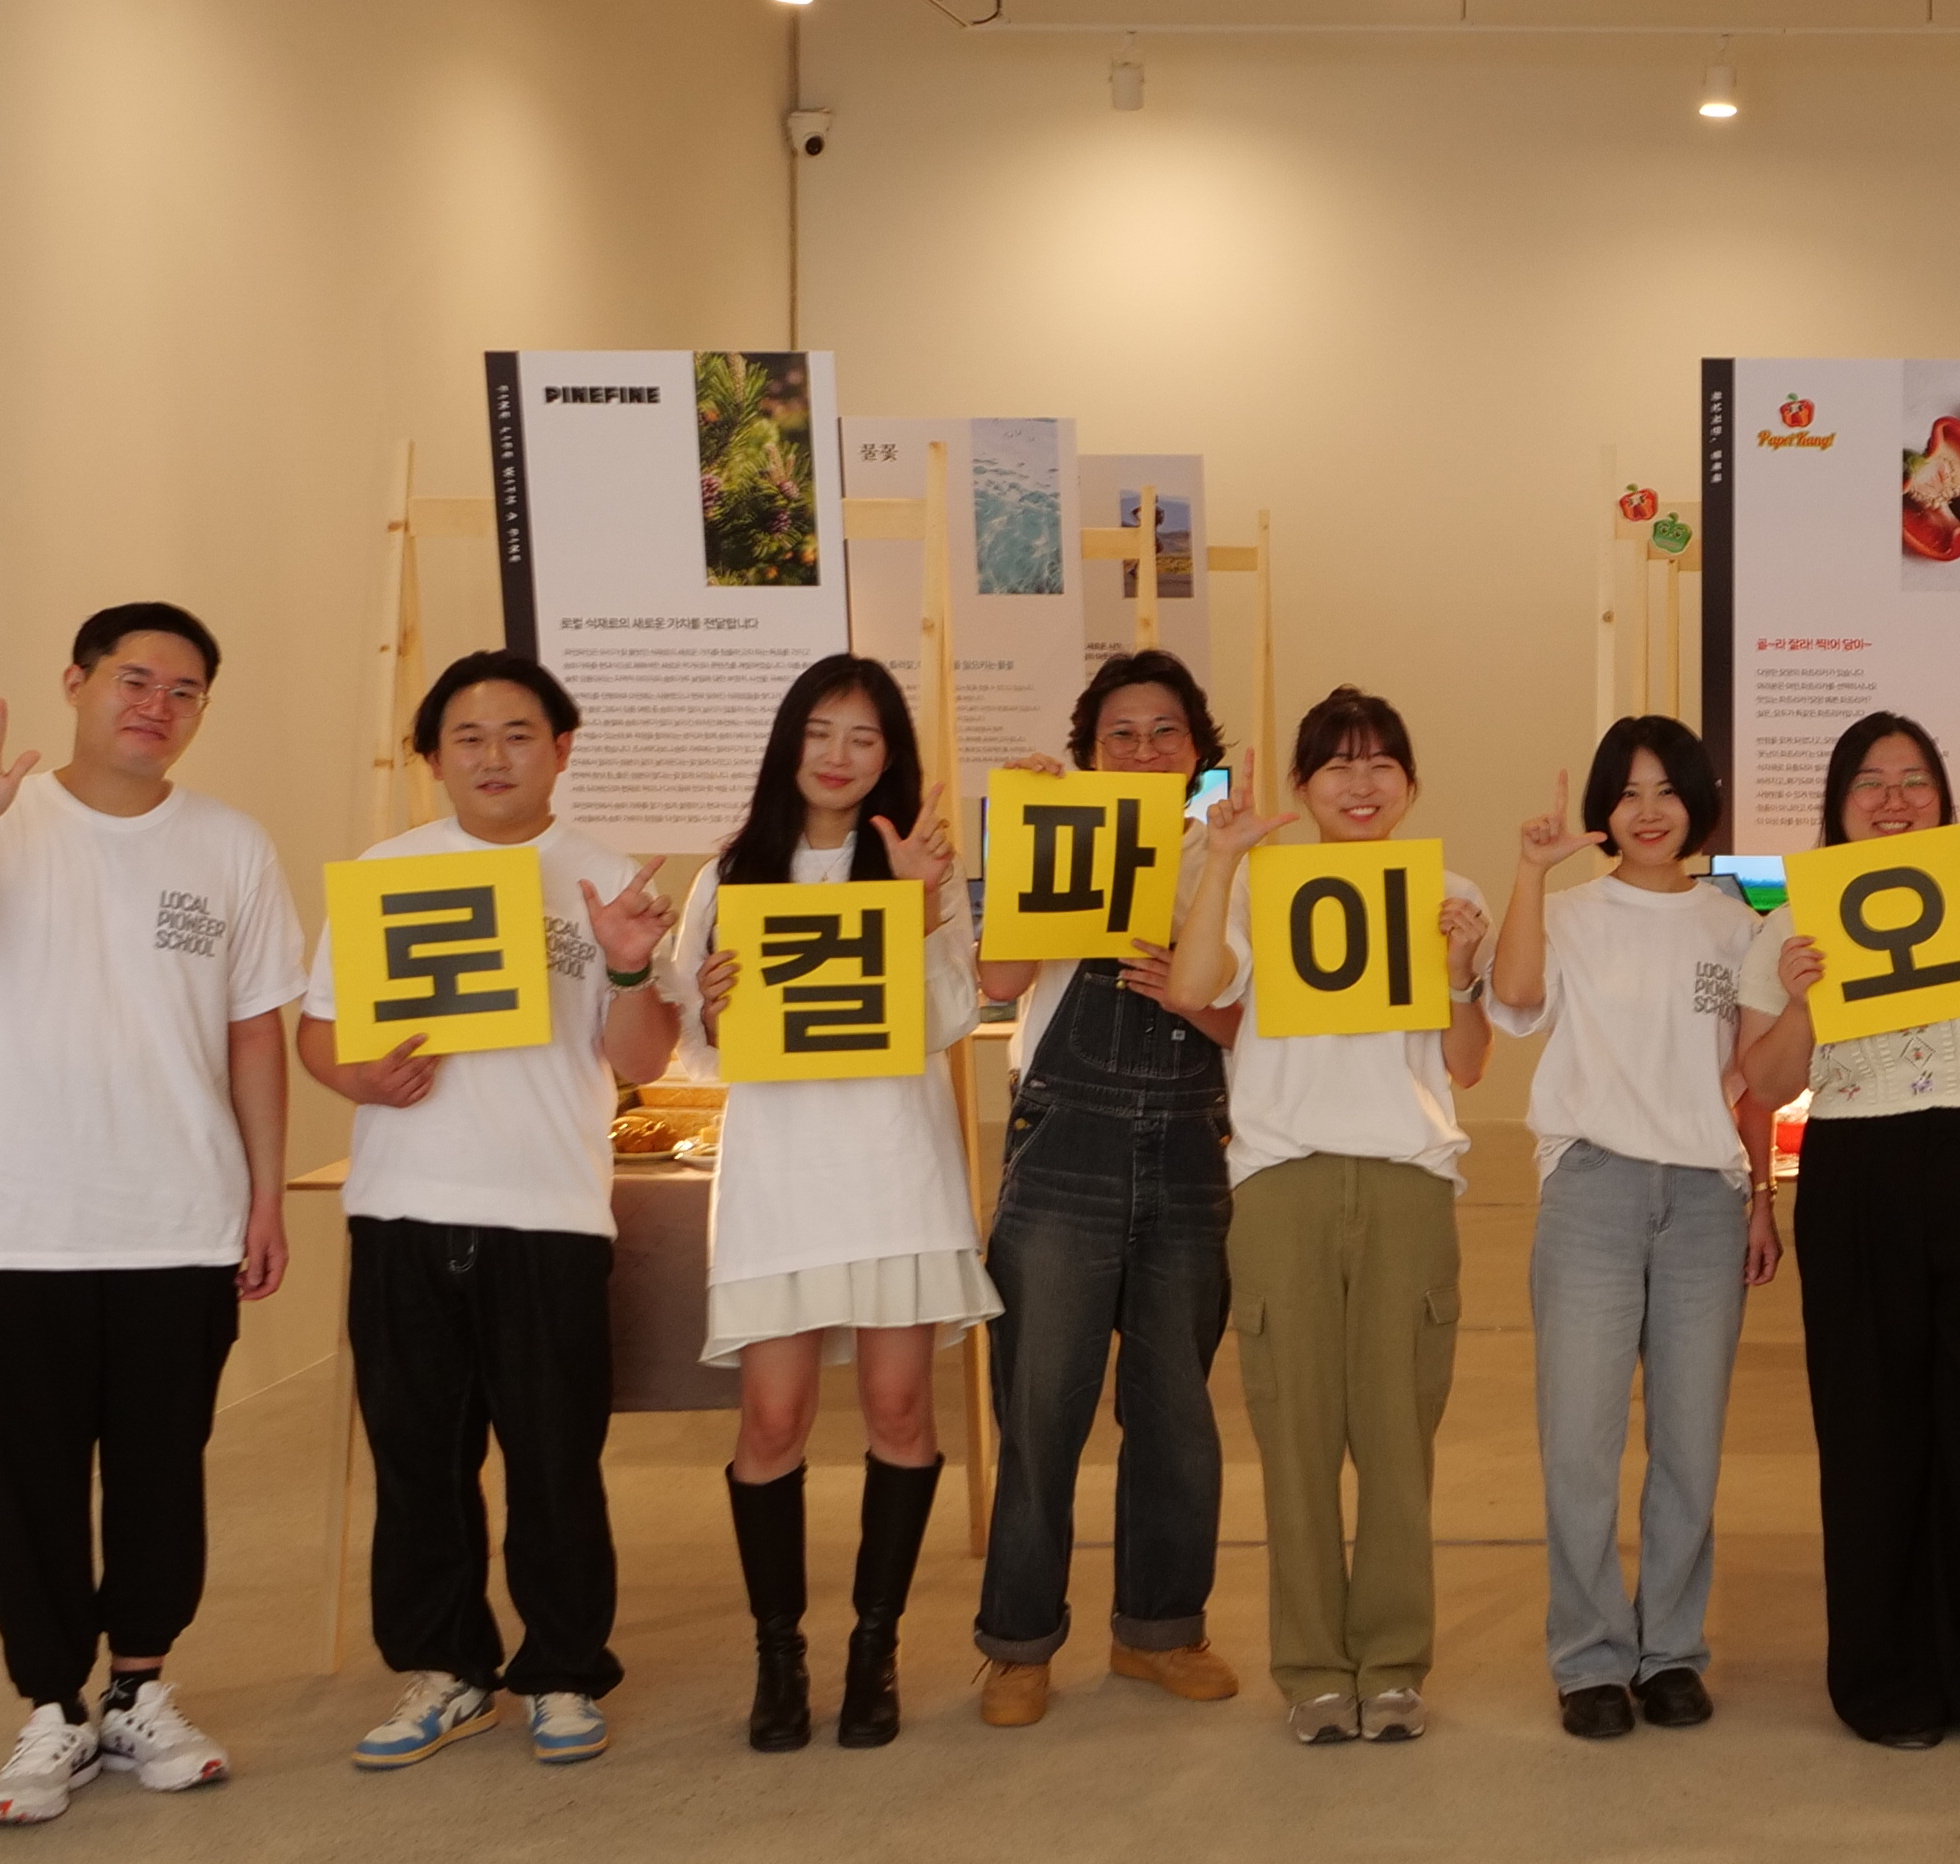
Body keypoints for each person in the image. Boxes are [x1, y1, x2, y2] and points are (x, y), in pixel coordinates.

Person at [0, 604, 297, 1826]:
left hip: (180, 1218)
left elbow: (254, 1030)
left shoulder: (229, 843)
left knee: (164, 1475)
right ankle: (53, 1708)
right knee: (26, 1485)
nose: (156, 706)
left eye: (183, 690)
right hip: (12, 1223)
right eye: (133, 679)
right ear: (76, 682)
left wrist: (265, 1194)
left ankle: (141, 1690)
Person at [296, 654, 681, 1773]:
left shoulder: (606, 879)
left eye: (518, 733)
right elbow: (321, 1032)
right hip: (402, 1206)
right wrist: (359, 1078)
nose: (493, 756)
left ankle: (562, 1670)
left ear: (561, 749)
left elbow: (642, 1063)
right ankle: (446, 1671)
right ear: (433, 758)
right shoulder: (388, 872)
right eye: (467, 737)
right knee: (418, 1458)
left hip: (549, 1212)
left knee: (556, 1462)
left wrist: (627, 970)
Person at [665, 655, 997, 1753]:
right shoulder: (732, 872)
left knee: (900, 1410)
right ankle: (779, 1654)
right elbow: (703, 1042)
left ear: (889, 756)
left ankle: (873, 1648)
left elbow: (950, 1020)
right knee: (772, 1420)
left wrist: (923, 902)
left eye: (863, 736)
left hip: (895, 1167)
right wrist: (712, 1009)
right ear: (789, 742)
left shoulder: (914, 863)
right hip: (780, 1176)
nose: (839, 756)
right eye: (819, 731)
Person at [1733, 713, 1960, 1749]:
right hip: (1859, 1168)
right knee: (1870, 1427)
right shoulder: (1790, 920)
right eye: (1869, 782)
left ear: (1941, 796)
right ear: (1837, 805)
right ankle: (1885, 1674)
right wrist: (1802, 1000)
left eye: (1913, 780)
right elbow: (1764, 1081)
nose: (1893, 800)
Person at [1163, 688, 1493, 1745]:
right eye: (1337, 765)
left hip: (1407, 1181)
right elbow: (1196, 988)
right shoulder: (1259, 884)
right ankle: (1310, 1668)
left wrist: (1459, 973)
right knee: (1295, 1438)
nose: (1360, 783)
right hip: (1282, 1182)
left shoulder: (1447, 892)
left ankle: (1391, 1665)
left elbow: (1467, 1064)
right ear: (1302, 787)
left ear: (1410, 783)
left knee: (1398, 1441)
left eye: (1381, 763)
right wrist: (1222, 859)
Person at [965, 651, 1248, 1729]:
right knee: (1040, 1410)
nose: (1142, 750)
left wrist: (1185, 992)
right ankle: (1018, 1646)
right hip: (1064, 1149)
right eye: (1119, 734)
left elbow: (1247, 1025)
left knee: (1175, 1411)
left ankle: (1160, 1632)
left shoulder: (1231, 857)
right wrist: (1022, 837)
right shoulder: (1054, 833)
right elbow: (998, 981)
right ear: (1088, 752)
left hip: (1189, 1149)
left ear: (1196, 753)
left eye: (1163, 732)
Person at [1487, 717, 1771, 1739]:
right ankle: (1589, 1658)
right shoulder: (1568, 913)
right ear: (1603, 808)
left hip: (1705, 1198)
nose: (1648, 812)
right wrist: (1528, 873)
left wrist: (1762, 1197)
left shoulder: (1735, 927)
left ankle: (1672, 1652)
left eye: (1668, 791)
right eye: (1627, 792)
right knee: (1580, 1439)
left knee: (1690, 1442)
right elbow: (1514, 998)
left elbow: (1753, 1081)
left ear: (1699, 802)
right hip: (1592, 1189)